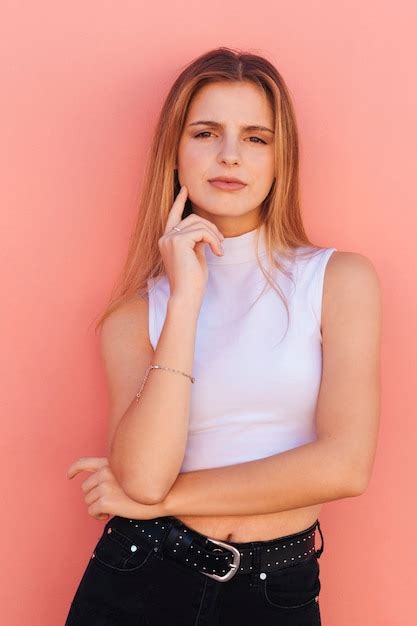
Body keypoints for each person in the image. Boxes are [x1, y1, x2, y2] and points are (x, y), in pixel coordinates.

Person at [64, 46, 382, 625]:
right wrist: (184, 300)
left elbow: (344, 467)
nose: (230, 155)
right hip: (136, 578)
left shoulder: (338, 280)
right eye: (206, 133)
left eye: (256, 138)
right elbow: (140, 475)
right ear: (175, 153)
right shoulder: (135, 315)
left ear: (281, 158)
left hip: (274, 591)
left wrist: (163, 500)